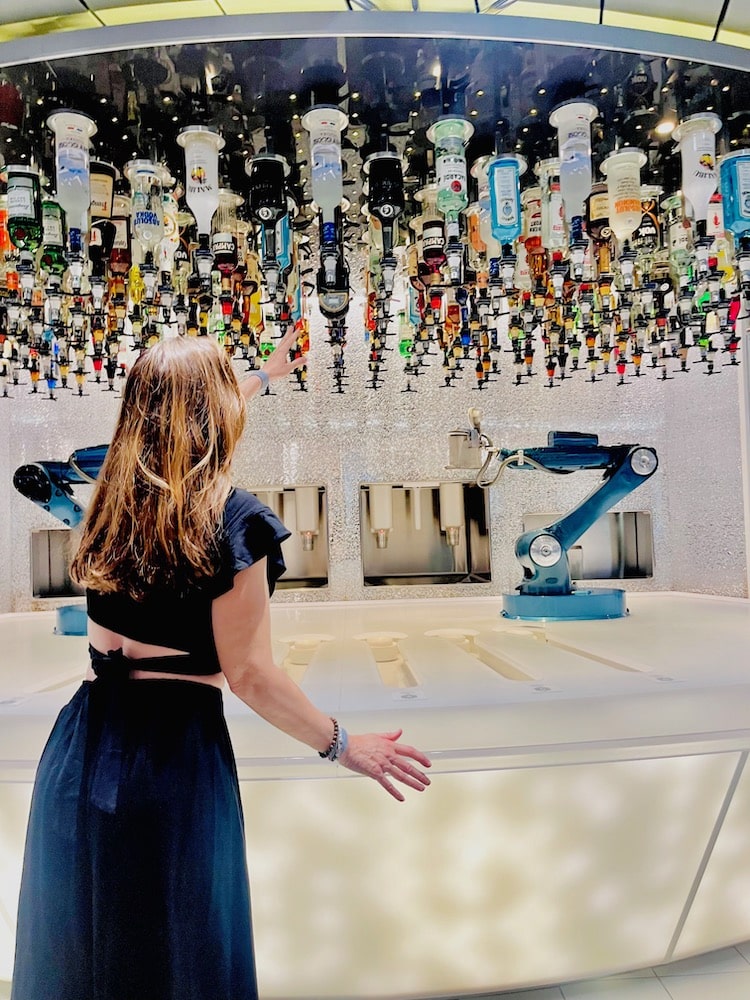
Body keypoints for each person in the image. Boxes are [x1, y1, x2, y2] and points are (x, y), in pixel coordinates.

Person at [11, 327, 431, 1000]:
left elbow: (186, 412)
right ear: (215, 416)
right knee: (180, 960)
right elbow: (252, 675)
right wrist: (344, 745)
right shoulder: (238, 522)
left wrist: (263, 377)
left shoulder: (108, 506)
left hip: (79, 752)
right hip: (171, 762)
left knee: (83, 955)